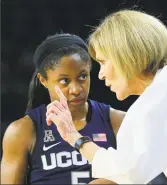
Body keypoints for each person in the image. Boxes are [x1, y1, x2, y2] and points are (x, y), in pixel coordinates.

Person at [45, 10, 167, 184]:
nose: (101, 75)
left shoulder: (159, 99)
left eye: (103, 62)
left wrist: (73, 136)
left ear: (125, 56)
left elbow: (128, 173)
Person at [1, 33, 126, 184]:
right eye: (64, 81)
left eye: (82, 77)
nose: (76, 89)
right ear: (43, 80)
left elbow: (142, 177)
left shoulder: (118, 121)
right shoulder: (22, 130)